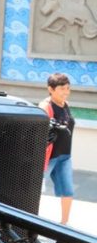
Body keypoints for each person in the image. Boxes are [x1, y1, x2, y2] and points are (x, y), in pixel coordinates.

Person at [40, 73, 75, 225]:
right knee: (35, 191)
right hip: (48, 158)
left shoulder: (65, 105)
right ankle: (29, 222)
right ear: (51, 89)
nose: (66, 92)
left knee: (68, 191)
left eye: (68, 88)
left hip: (65, 156)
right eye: (62, 88)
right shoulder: (45, 107)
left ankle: (64, 225)